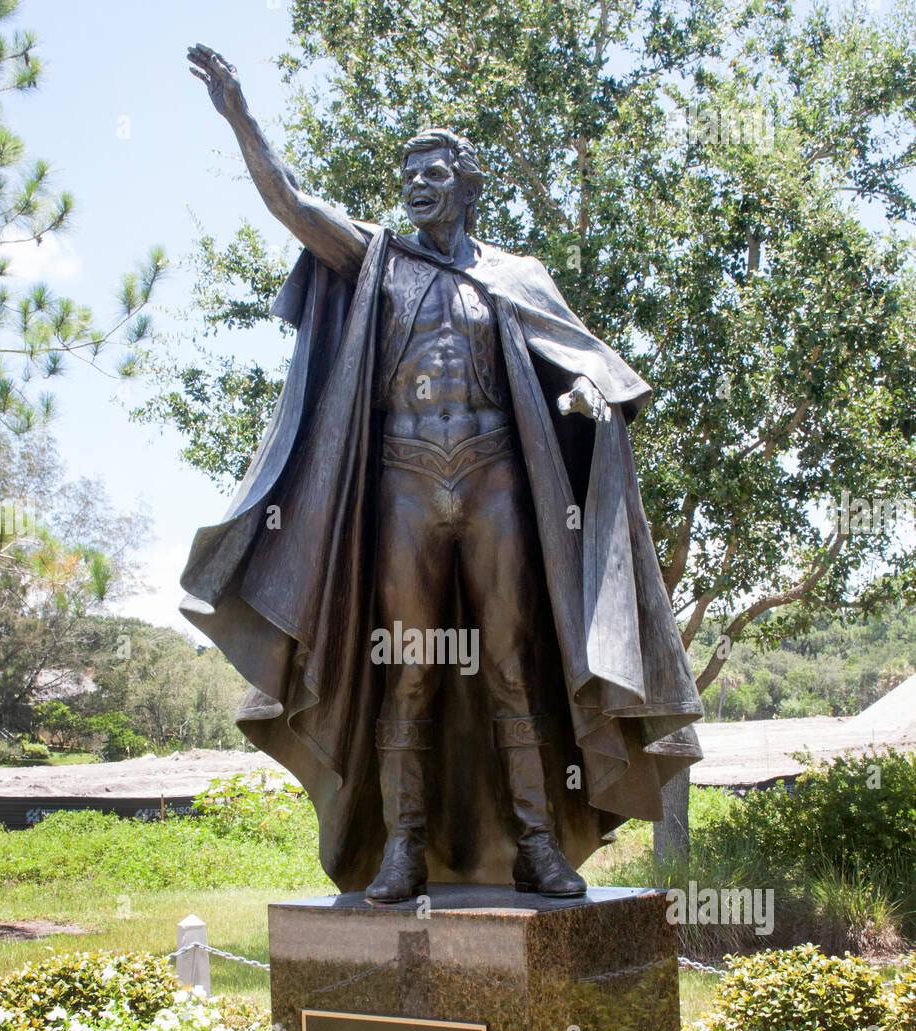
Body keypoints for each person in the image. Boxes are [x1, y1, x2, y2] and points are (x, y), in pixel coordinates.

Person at [180, 45, 703, 902]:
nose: (415, 185)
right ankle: (402, 849)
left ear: (466, 182)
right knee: (408, 666)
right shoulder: (377, 258)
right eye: (406, 174)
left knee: (508, 661)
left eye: (431, 172)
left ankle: (538, 845)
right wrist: (241, 116)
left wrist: (583, 398)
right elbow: (293, 204)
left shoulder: (514, 275)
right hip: (405, 484)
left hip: (496, 476)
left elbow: (585, 366)